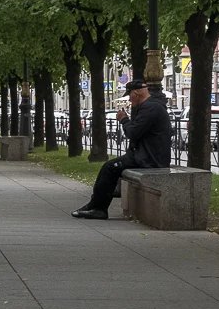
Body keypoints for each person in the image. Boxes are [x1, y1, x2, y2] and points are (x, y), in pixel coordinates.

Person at [72, 80, 171, 220]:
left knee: (110, 168)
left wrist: (124, 119)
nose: (129, 99)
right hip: (147, 155)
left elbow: (133, 133)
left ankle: (98, 208)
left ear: (136, 93)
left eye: (130, 95)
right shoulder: (150, 106)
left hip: (149, 159)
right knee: (110, 167)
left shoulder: (151, 108)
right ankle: (94, 205)